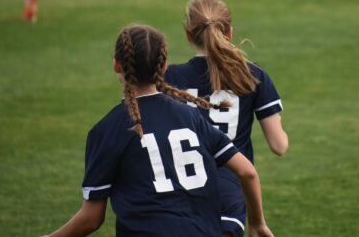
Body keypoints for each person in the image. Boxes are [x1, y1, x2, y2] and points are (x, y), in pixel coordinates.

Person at [40, 24, 273, 237]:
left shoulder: (106, 130)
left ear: (116, 64)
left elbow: (91, 219)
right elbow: (247, 172)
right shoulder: (191, 116)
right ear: (163, 67)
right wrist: (257, 224)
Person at [165, 0, 289, 237]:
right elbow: (279, 145)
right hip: (227, 195)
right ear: (229, 32)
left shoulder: (170, 78)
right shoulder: (253, 75)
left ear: (188, 35)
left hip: (178, 193)